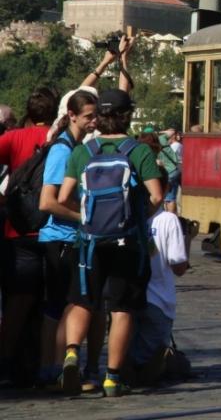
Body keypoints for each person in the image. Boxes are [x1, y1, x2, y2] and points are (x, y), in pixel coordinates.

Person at [57, 88, 164, 397]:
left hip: (89, 242)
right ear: (127, 116)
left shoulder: (83, 152)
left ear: (99, 117)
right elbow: (157, 196)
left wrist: (87, 217)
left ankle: (72, 353)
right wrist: (137, 217)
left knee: (82, 301)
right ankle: (112, 378)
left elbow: (62, 198)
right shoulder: (139, 151)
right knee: (121, 308)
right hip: (127, 243)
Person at [37, 91, 105, 391]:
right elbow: (47, 202)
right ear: (72, 116)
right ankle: (52, 369)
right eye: (89, 116)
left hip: (70, 238)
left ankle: (57, 368)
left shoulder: (77, 147)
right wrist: (84, 217)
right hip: (60, 239)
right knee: (60, 306)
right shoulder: (62, 151)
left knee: (67, 304)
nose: (94, 122)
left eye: (96, 115)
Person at [0, 86, 59, 385]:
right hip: (54, 227)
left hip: (18, 228)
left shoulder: (12, 138)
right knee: (53, 303)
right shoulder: (61, 140)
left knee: (17, 303)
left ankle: (6, 362)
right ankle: (46, 363)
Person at [128, 203, 188, 385]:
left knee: (128, 354)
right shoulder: (168, 220)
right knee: (149, 363)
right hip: (158, 302)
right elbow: (179, 267)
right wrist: (187, 239)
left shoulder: (126, 213)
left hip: (127, 299)